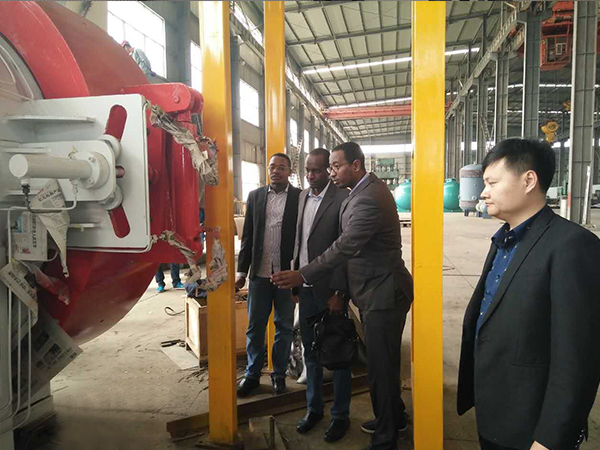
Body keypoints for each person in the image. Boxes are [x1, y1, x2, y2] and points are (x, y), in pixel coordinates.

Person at [457, 138, 600, 450]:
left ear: (529, 180)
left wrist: (551, 437)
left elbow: (578, 357)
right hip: (495, 412)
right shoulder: (504, 240)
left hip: (532, 426)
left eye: (492, 182)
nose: (483, 193)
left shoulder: (572, 247)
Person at [272, 142, 413, 450]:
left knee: (380, 368)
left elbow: (345, 246)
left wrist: (304, 274)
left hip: (383, 292)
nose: (331, 172)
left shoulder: (368, 199)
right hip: (375, 290)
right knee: (384, 363)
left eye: (336, 166)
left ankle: (386, 437)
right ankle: (394, 416)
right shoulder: (361, 191)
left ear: (356, 165)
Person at [293, 148, 351, 442]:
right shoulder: (303, 196)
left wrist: (339, 292)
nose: (311, 176)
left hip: (330, 292)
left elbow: (345, 250)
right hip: (305, 288)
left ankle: (340, 415)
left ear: (328, 170)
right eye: (308, 170)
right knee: (310, 351)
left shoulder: (342, 199)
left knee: (337, 354)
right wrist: (296, 280)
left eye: (317, 170)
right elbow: (300, 241)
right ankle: (313, 409)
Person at [236, 153, 301, 397]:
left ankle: (278, 375)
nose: (276, 171)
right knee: (255, 327)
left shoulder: (299, 197)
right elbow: (248, 236)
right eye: (273, 167)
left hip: (286, 275)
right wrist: (242, 271)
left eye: (281, 167)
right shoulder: (255, 196)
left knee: (284, 327)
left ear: (289, 171)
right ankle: (252, 375)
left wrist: (300, 274)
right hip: (259, 275)